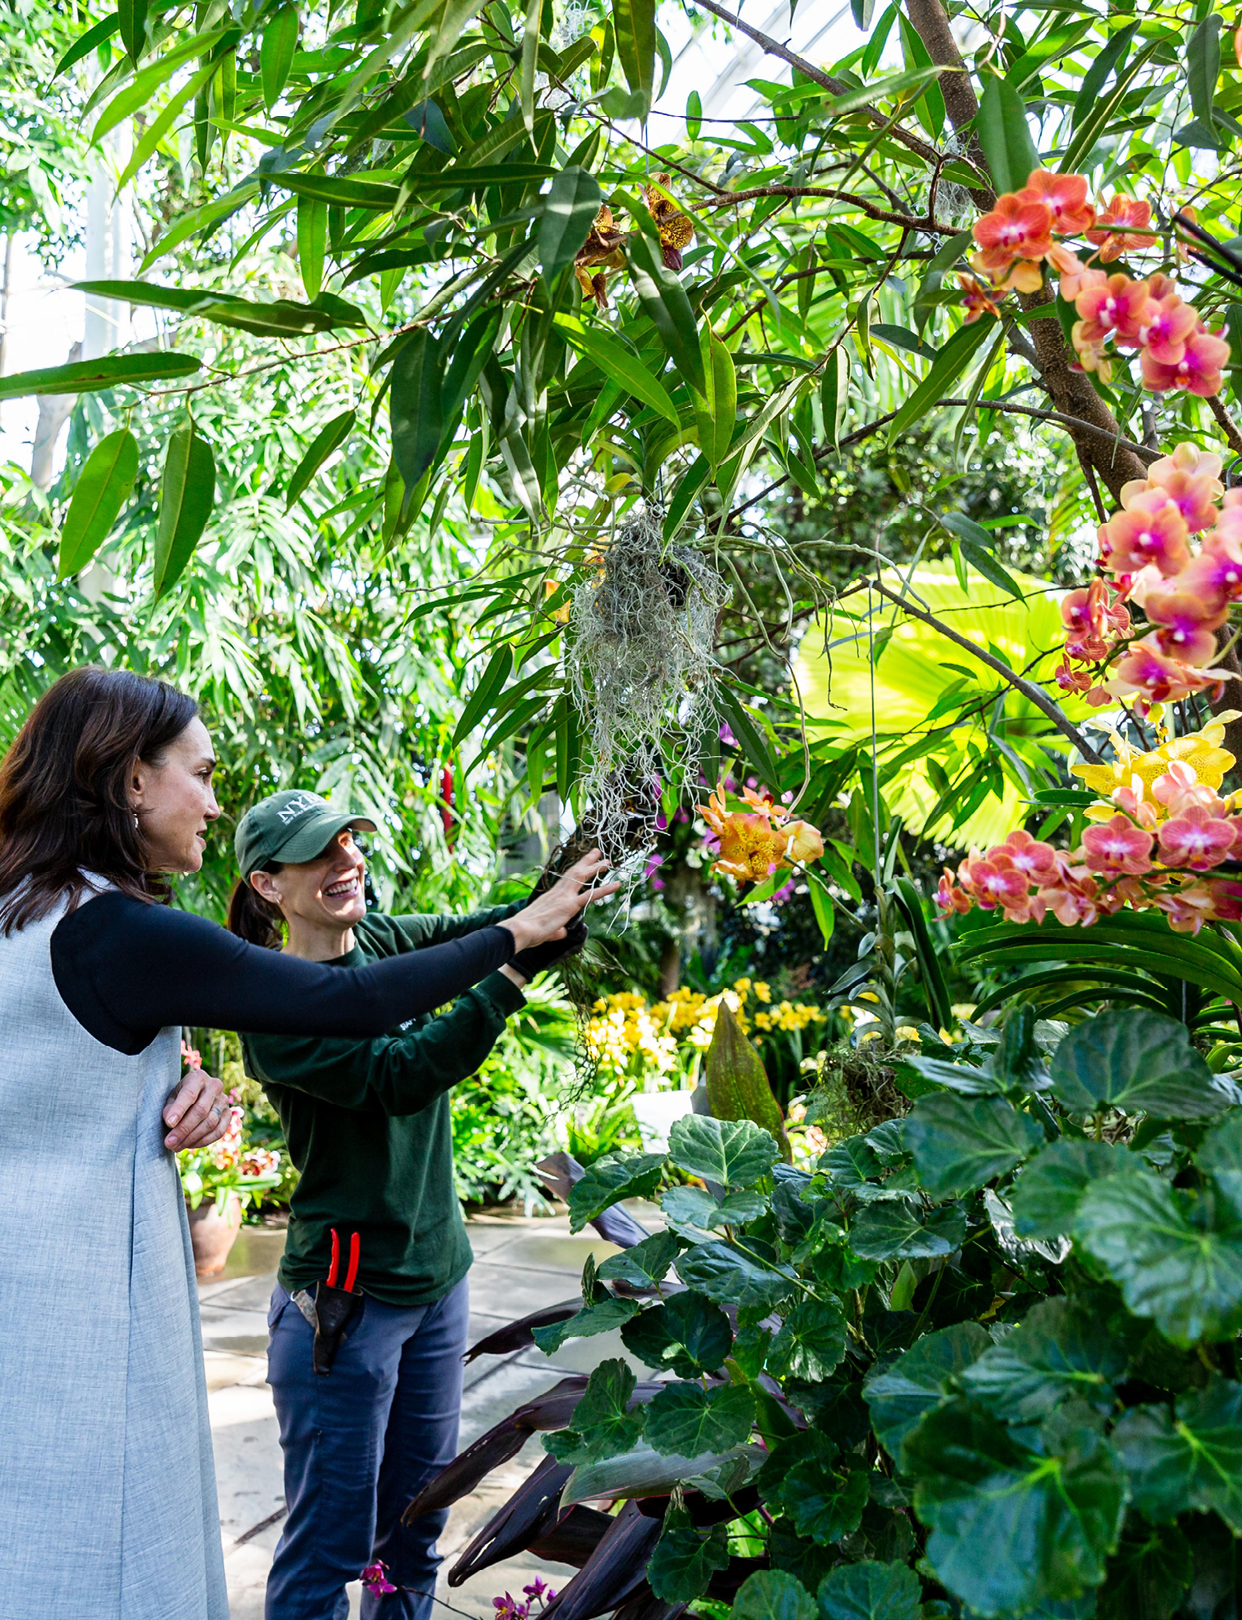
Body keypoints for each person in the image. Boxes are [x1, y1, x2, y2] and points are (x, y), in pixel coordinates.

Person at [0, 666, 614, 1620]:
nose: (211, 801)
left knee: (401, 1520)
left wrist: (173, 1082)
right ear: (129, 782)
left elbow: (62, 1062)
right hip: (98, 1293)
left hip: (39, 1283)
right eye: (199, 776)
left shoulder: (31, 910)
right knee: (125, 1542)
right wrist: (515, 955)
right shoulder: (115, 928)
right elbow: (363, 1019)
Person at [226, 792, 584, 1620]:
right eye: (320, 853)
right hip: (345, 1311)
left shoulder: (380, 939)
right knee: (329, 1550)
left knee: (417, 1528)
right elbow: (402, 1075)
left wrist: (576, 878)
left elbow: (489, 923)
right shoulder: (270, 1006)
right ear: (268, 885)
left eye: (350, 841)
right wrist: (515, 971)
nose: (347, 859)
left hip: (438, 1280)